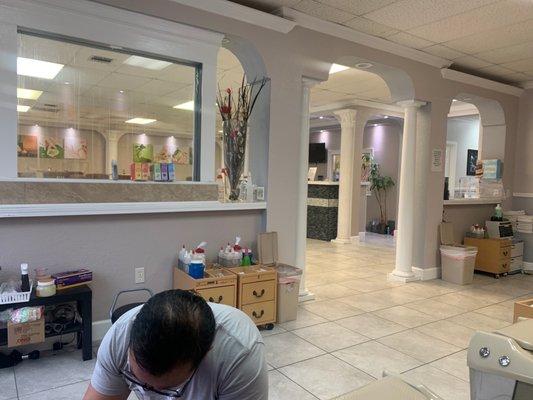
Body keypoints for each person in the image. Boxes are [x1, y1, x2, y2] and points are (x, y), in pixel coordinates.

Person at [83, 289, 268, 399]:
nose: (151, 394)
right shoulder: (119, 337)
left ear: (204, 355)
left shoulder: (240, 354)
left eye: (163, 389)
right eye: (142, 384)